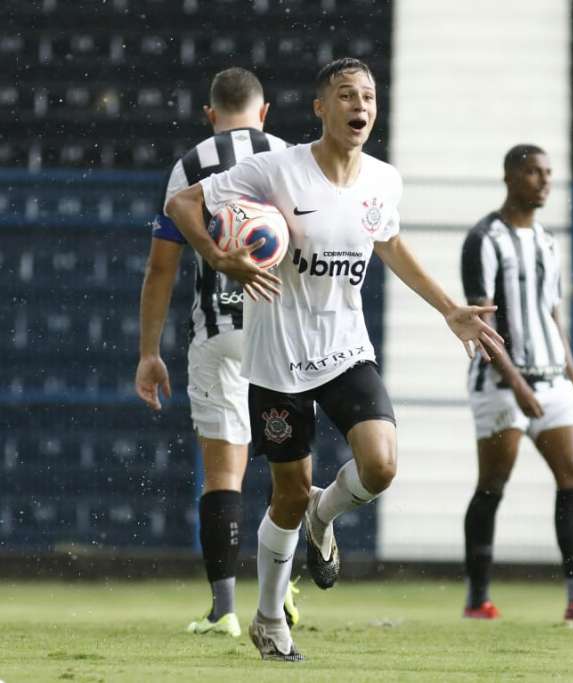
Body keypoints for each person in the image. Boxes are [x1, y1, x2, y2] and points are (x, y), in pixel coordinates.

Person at [166, 57, 503, 662]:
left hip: (346, 348)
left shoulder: (384, 181)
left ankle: (324, 515)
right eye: (347, 95)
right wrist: (219, 256)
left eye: (368, 96)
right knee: (287, 495)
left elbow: (389, 243)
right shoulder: (276, 169)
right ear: (321, 107)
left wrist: (450, 308)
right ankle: (269, 620)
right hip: (276, 358)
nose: (360, 106)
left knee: (381, 465)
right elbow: (183, 204)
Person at [134, 67, 298, 638]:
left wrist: (149, 352)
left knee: (224, 473)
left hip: (218, 330)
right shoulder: (289, 157)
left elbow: (161, 268)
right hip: (282, 331)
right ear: (264, 112)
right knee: (289, 467)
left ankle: (224, 610)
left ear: (210, 114)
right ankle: (281, 589)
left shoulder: (190, 166)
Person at [459, 144, 573, 623]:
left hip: (553, 380)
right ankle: (478, 599)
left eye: (548, 173)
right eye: (533, 172)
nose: (544, 181)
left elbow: (552, 316)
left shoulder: (547, 242)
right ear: (510, 176)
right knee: (493, 482)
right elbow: (481, 323)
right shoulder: (484, 239)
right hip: (500, 383)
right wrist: (516, 384)